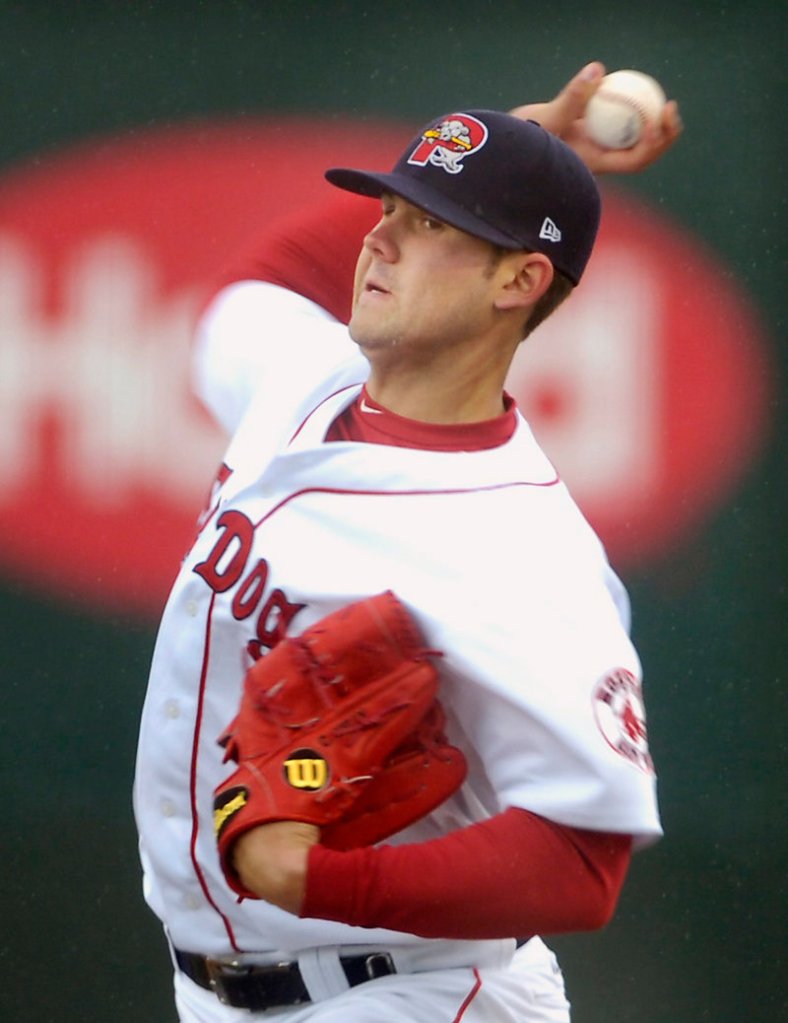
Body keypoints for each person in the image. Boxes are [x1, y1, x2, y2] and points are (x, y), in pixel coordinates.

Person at [133, 62, 682, 1022]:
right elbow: (246, 296)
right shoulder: (308, 373)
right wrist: (515, 143)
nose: (378, 238)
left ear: (521, 279)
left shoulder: (524, 550)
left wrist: (312, 882)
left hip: (408, 996)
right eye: (389, 207)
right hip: (220, 990)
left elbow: (582, 862)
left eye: (429, 224)